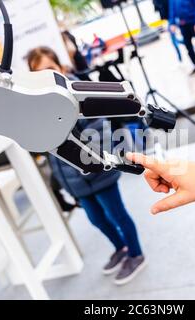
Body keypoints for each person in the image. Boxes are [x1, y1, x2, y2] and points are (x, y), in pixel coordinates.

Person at [27, 47, 147, 285]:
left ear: (61, 69)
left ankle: (136, 254)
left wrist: (94, 162)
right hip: (73, 179)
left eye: (50, 69)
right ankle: (121, 248)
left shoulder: (80, 92)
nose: (47, 76)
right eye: (38, 72)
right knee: (96, 219)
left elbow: (100, 127)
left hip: (97, 170)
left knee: (117, 214)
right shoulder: (37, 102)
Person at [169, 0, 195, 74]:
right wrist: (172, 23)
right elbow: (172, 10)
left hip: (193, 22)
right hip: (183, 25)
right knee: (188, 46)